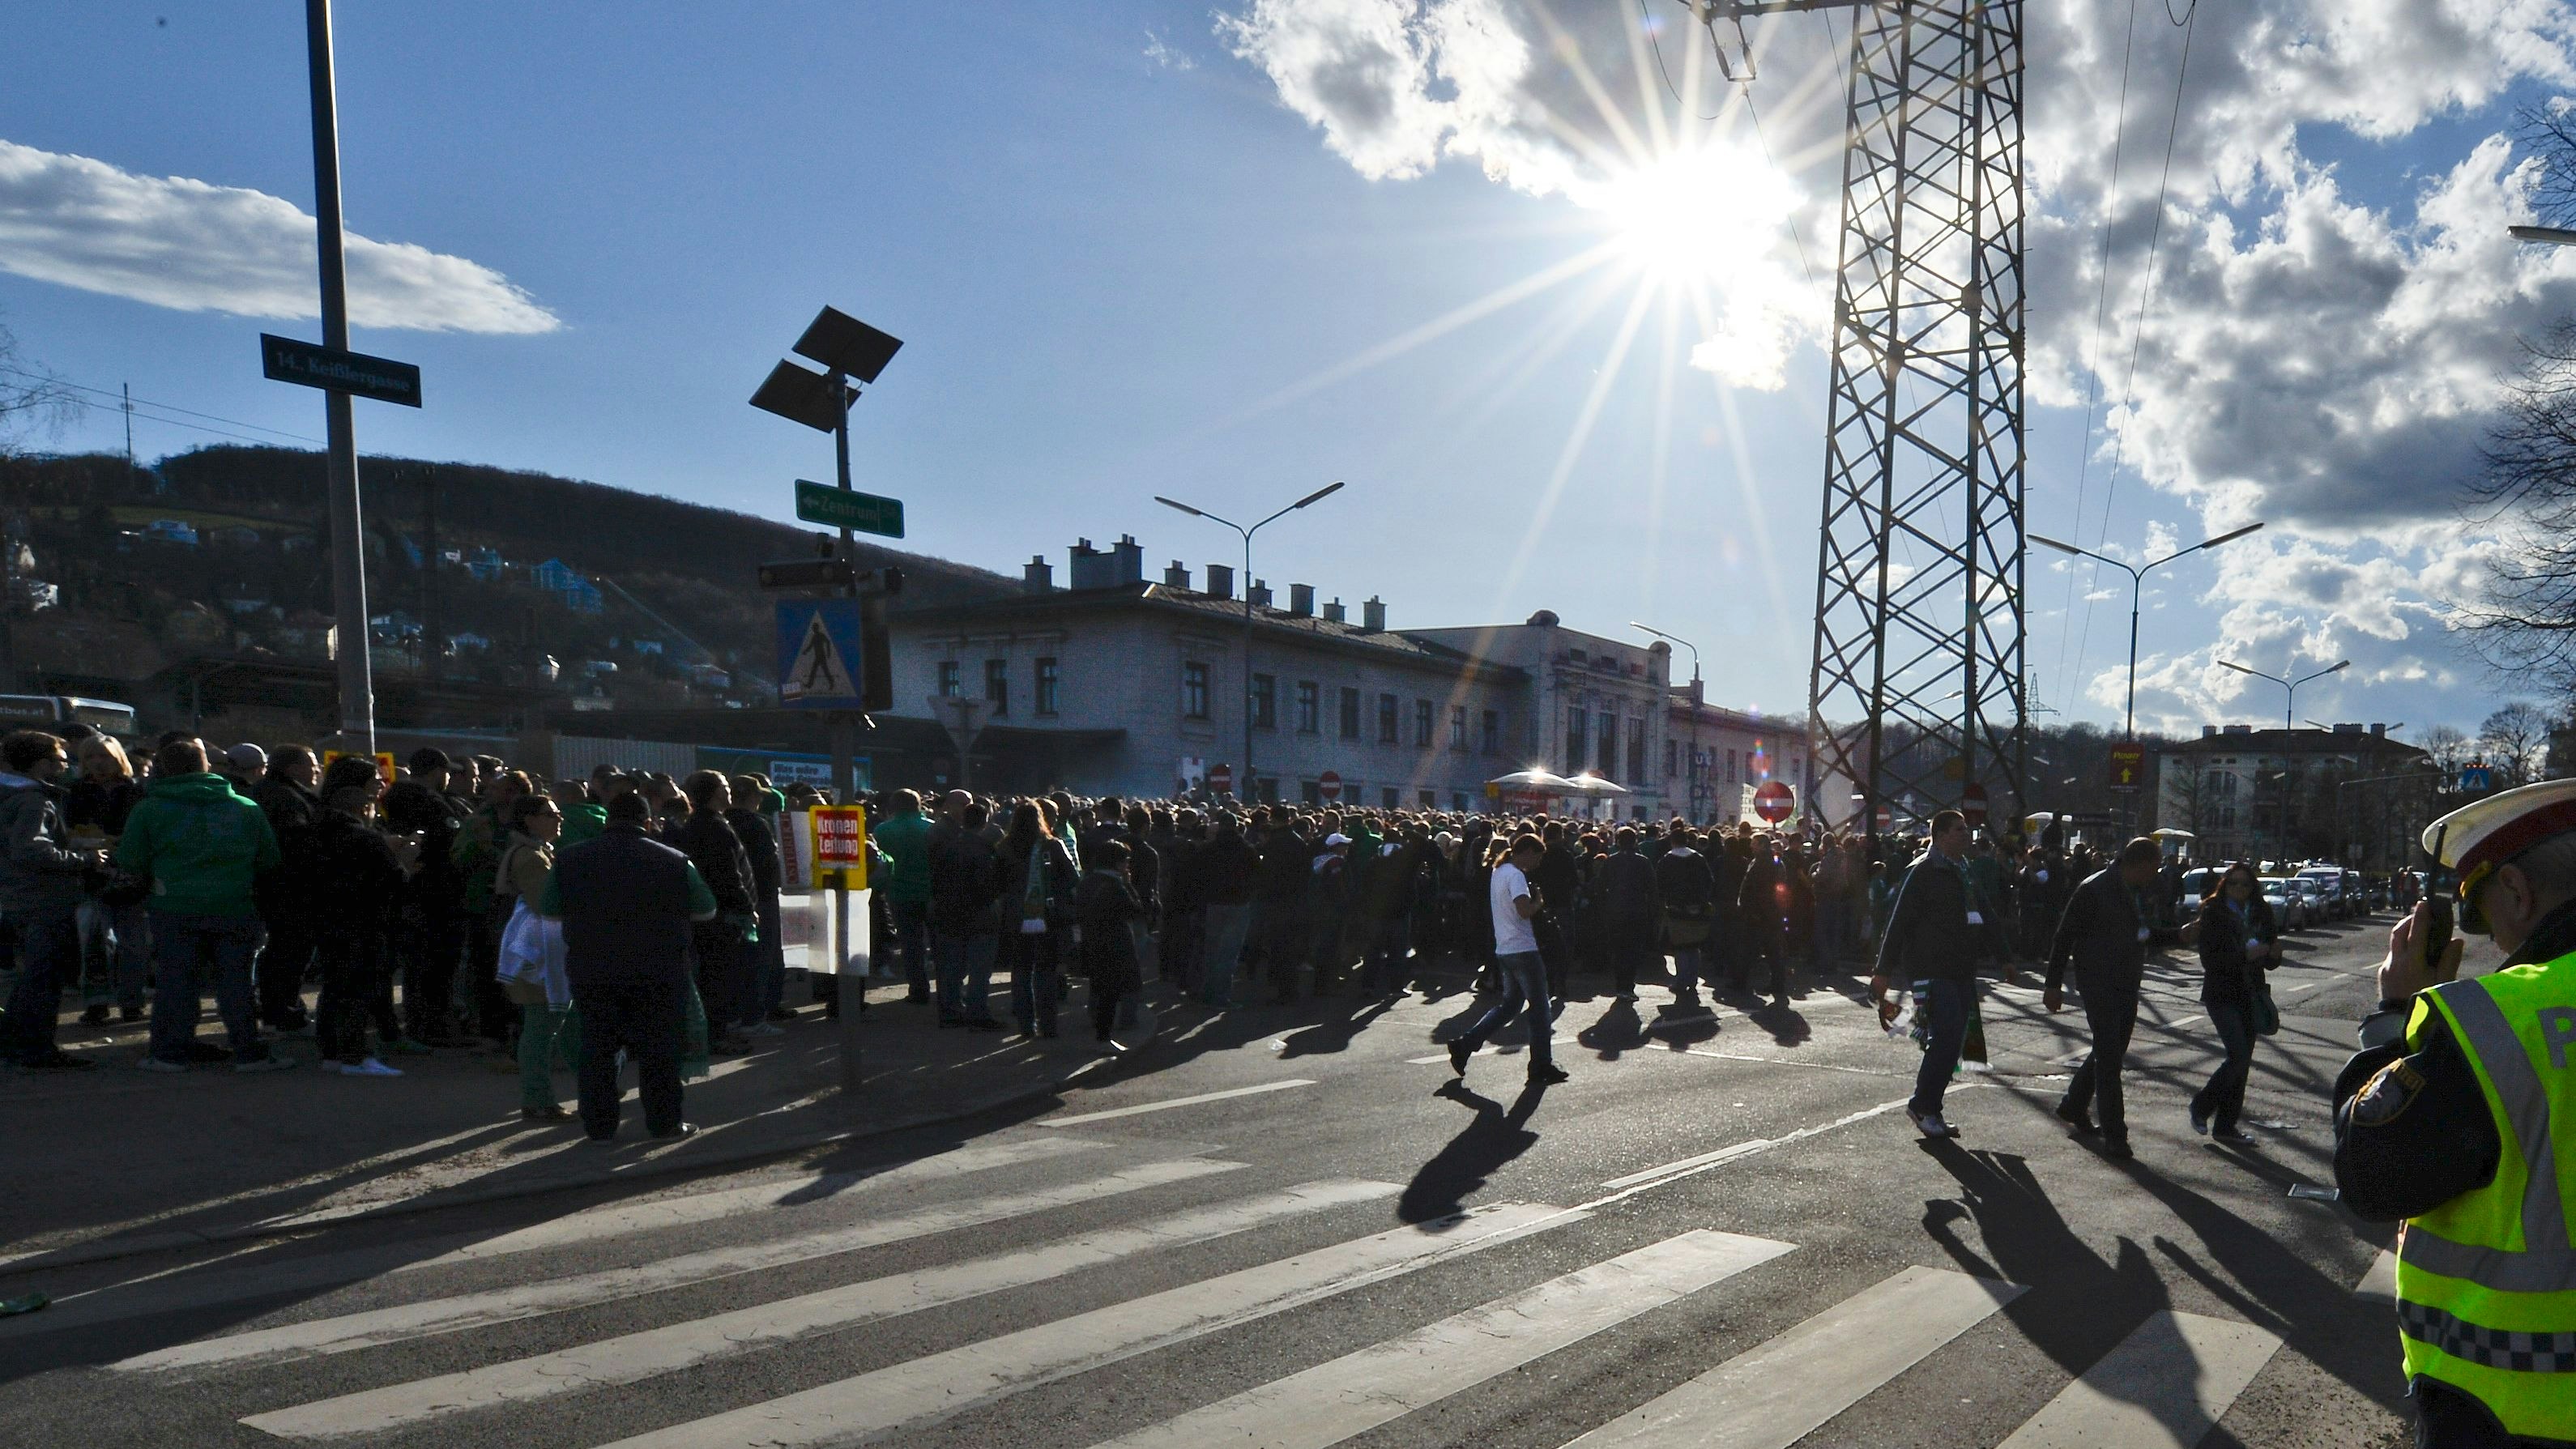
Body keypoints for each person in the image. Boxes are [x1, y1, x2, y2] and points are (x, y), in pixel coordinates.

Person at [2334, 778, 2576, 1447]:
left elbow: (2369, 1175)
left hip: (2513, 1409)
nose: (2491, 936)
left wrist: (2395, 1017)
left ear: (2518, 891)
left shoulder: (2502, 1020)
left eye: (2480, 910)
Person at [541, 791, 717, 1140]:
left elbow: (549, 911)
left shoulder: (570, 859)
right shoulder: (674, 860)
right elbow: (707, 909)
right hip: (659, 970)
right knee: (660, 1050)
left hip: (593, 968)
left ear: (607, 820)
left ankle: (599, 1127)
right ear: (648, 823)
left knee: (597, 1048)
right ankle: (665, 1124)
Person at [117, 738, 290, 1073]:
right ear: (207, 766)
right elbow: (269, 860)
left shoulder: (149, 809)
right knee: (236, 984)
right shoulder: (245, 807)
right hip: (235, 905)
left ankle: (169, 1053)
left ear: (162, 769)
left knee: (175, 983)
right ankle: (249, 1052)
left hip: (173, 907)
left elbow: (131, 862)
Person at [2042, 837, 2199, 1159]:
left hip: (2127, 980)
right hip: (2097, 980)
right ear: (2138, 864)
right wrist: (2053, 984)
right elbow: (2064, 936)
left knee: (2109, 1049)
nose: (2156, 874)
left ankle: (2074, 1105)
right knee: (2110, 1058)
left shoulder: (2138, 891)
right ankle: (2116, 1135)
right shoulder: (2094, 888)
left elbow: (2144, 933)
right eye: (2153, 868)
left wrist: (2177, 935)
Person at [1871, 811, 1988, 1139]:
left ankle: (1930, 1107)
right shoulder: (1922, 871)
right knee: (1947, 1034)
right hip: (1930, 969)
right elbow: (1898, 921)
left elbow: (1985, 913)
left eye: (1967, 829)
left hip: (1960, 967)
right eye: (1960, 829)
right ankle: (1923, 1106)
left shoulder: (1964, 870)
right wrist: (1883, 971)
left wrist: (2006, 956)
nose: (1966, 834)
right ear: (1942, 835)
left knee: (1955, 1038)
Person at [0, 730, 109, 1069]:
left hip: (15, 896)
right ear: (40, 764)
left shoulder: (9, 794)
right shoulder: (32, 800)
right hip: (41, 898)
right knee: (43, 979)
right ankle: (36, 1049)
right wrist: (84, 860)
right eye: (61, 760)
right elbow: (32, 850)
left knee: (29, 977)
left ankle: (15, 1043)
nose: (66, 766)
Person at [298, 764, 410, 1076]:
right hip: (366, 921)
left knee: (334, 988)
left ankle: (332, 1053)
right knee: (359, 990)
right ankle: (355, 1055)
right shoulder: (366, 839)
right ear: (363, 808)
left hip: (327, 919)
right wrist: (406, 860)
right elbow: (397, 881)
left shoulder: (314, 832)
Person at [1446, 833, 1568, 1087]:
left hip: (1504, 947)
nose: (1537, 864)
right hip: (1523, 948)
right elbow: (1523, 910)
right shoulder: (1516, 875)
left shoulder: (1498, 871)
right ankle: (1541, 1064)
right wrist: (1538, 903)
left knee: (1510, 1006)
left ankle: (1465, 1044)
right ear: (1527, 852)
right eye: (1537, 857)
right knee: (1540, 1008)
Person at [497, 793, 577, 1118]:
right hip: (536, 955)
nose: (559, 819)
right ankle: (537, 1099)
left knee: (558, 1023)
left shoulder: (537, 852)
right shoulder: (530, 857)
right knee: (542, 1026)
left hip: (539, 950)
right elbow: (548, 904)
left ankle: (593, 1084)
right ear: (529, 820)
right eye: (550, 814)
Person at [64, 735, 150, 1026]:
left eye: (105, 756)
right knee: (94, 942)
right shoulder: (75, 791)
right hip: (90, 874)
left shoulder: (136, 791)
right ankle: (96, 1003)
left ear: (118, 759)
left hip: (130, 875)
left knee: (133, 944)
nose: (98, 763)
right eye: (91, 757)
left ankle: (131, 1001)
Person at [2188, 861, 2277, 1144]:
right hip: (2221, 992)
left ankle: (2226, 1127)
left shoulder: (2261, 912)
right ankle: (2201, 1106)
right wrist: (2244, 957)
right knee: (2237, 1055)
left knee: (2242, 1062)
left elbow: (2270, 954)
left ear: (2253, 888)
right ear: (2224, 885)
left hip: (2251, 993)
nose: (2239, 888)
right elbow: (2210, 960)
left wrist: (2273, 955)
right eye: (2234, 883)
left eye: (2245, 884)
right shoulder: (2213, 912)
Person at [674, 770, 758, 1055]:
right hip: (722, 915)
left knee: (714, 976)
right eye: (725, 786)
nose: (730, 790)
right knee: (719, 978)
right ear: (714, 792)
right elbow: (728, 876)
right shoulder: (714, 828)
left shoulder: (700, 824)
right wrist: (747, 907)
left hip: (709, 913)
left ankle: (717, 1032)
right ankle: (717, 1036)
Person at [250, 745, 323, 1033]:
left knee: (282, 951)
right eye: (312, 764)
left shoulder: (266, 792)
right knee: (290, 952)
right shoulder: (287, 799)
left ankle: (279, 1009)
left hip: (272, 884)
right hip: (290, 886)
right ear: (293, 768)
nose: (317, 770)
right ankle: (284, 1013)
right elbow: (296, 844)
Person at [996, 799, 1077, 1038]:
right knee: (1046, 970)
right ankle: (1048, 1025)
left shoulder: (1005, 847)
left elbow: (996, 882)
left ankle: (1026, 1025)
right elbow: (1072, 877)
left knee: (1021, 970)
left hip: (1016, 915)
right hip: (1047, 915)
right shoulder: (1053, 845)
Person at [925, 800, 1004, 1029]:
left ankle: (950, 1012)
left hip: (948, 912)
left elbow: (935, 879)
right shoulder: (986, 850)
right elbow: (989, 886)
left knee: (951, 967)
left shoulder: (946, 847)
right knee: (979, 970)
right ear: (985, 822)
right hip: (979, 915)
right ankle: (977, 1013)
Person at [1074, 837, 1147, 1051]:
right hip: (1116, 942)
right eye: (1125, 861)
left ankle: (1099, 1027)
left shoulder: (1087, 882)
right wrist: (1129, 885)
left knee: (1099, 987)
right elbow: (1136, 910)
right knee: (1114, 991)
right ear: (1117, 863)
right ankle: (1105, 1036)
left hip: (1092, 940)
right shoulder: (1116, 885)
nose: (1128, 865)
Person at [872, 789, 936, 1004]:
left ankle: (918, 990)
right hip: (930, 893)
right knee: (940, 944)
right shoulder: (932, 828)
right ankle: (949, 990)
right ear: (918, 805)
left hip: (899, 894)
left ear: (893, 806)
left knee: (911, 945)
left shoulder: (882, 830)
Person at [1654, 828, 1717, 1008]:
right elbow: (1710, 881)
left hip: (1676, 908)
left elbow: (1660, 886)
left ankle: (1682, 980)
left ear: (1672, 841)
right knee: (1694, 945)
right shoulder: (1698, 858)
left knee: (1681, 945)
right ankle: (1692, 979)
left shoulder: (1667, 860)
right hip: (1698, 908)